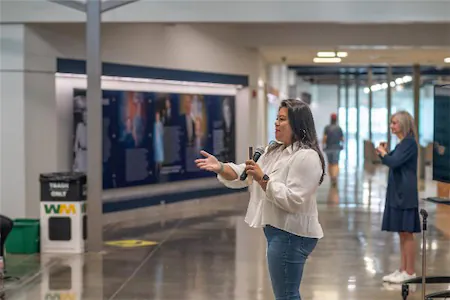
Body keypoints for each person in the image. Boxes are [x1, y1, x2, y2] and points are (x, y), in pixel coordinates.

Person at [195, 99, 325, 300]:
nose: (276, 123)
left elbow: (292, 199)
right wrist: (220, 167)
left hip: (291, 233)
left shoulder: (307, 157)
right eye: (276, 118)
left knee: (287, 295)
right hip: (278, 231)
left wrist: (263, 178)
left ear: (297, 125)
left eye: (282, 119)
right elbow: (242, 174)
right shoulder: (274, 151)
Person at [376, 111, 421, 284]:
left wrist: (383, 153)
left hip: (406, 193)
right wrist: (384, 153)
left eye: (394, 123)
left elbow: (393, 162)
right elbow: (391, 160)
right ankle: (402, 269)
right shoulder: (403, 144)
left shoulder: (409, 143)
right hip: (398, 191)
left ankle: (409, 271)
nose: (391, 126)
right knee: (402, 232)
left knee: (407, 232)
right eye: (391, 123)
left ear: (403, 124)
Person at [323, 113, 344, 186]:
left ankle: (332, 177)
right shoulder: (339, 128)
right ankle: (334, 177)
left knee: (330, 163)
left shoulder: (327, 128)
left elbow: (325, 138)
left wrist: (323, 145)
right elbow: (342, 139)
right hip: (337, 148)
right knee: (335, 163)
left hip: (328, 148)